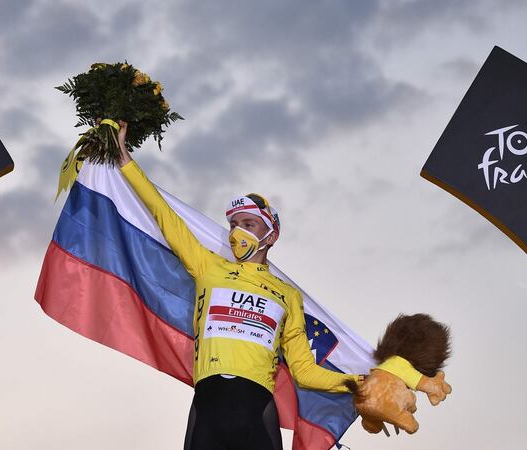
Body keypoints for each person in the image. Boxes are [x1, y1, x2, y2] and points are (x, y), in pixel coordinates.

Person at [113, 120, 423, 449]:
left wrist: (360, 382)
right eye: (233, 224)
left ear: (270, 235)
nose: (237, 232)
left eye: (248, 224)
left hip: (257, 408)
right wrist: (124, 160)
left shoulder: (287, 296)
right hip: (208, 405)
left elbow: (304, 370)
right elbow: (164, 215)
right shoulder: (209, 267)